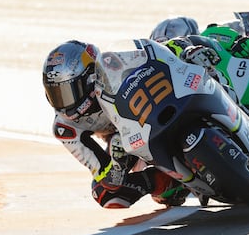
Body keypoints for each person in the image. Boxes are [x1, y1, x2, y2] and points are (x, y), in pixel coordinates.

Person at [42, 40, 189, 208]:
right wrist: (117, 165)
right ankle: (168, 181)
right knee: (103, 193)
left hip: (154, 111)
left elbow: (153, 54)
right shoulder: (65, 128)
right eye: (55, 94)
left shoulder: (114, 64)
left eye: (67, 92)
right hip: (126, 144)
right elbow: (102, 174)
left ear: (90, 77)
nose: (62, 103)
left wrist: (179, 48)